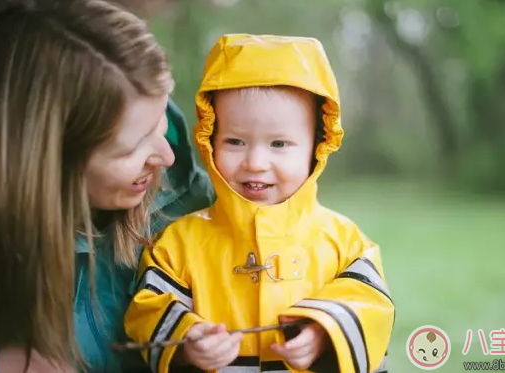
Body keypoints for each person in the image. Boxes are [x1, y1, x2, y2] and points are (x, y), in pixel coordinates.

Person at [125, 34, 395, 373]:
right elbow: (147, 310)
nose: (254, 162)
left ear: (317, 146)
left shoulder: (346, 244)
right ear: (210, 139)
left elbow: (371, 306)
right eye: (235, 141)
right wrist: (188, 340)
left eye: (279, 144)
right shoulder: (177, 245)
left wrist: (325, 333)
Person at [0, 0, 213, 372]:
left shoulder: (190, 199)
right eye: (132, 147)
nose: (167, 157)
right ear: (53, 162)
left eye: (161, 123)